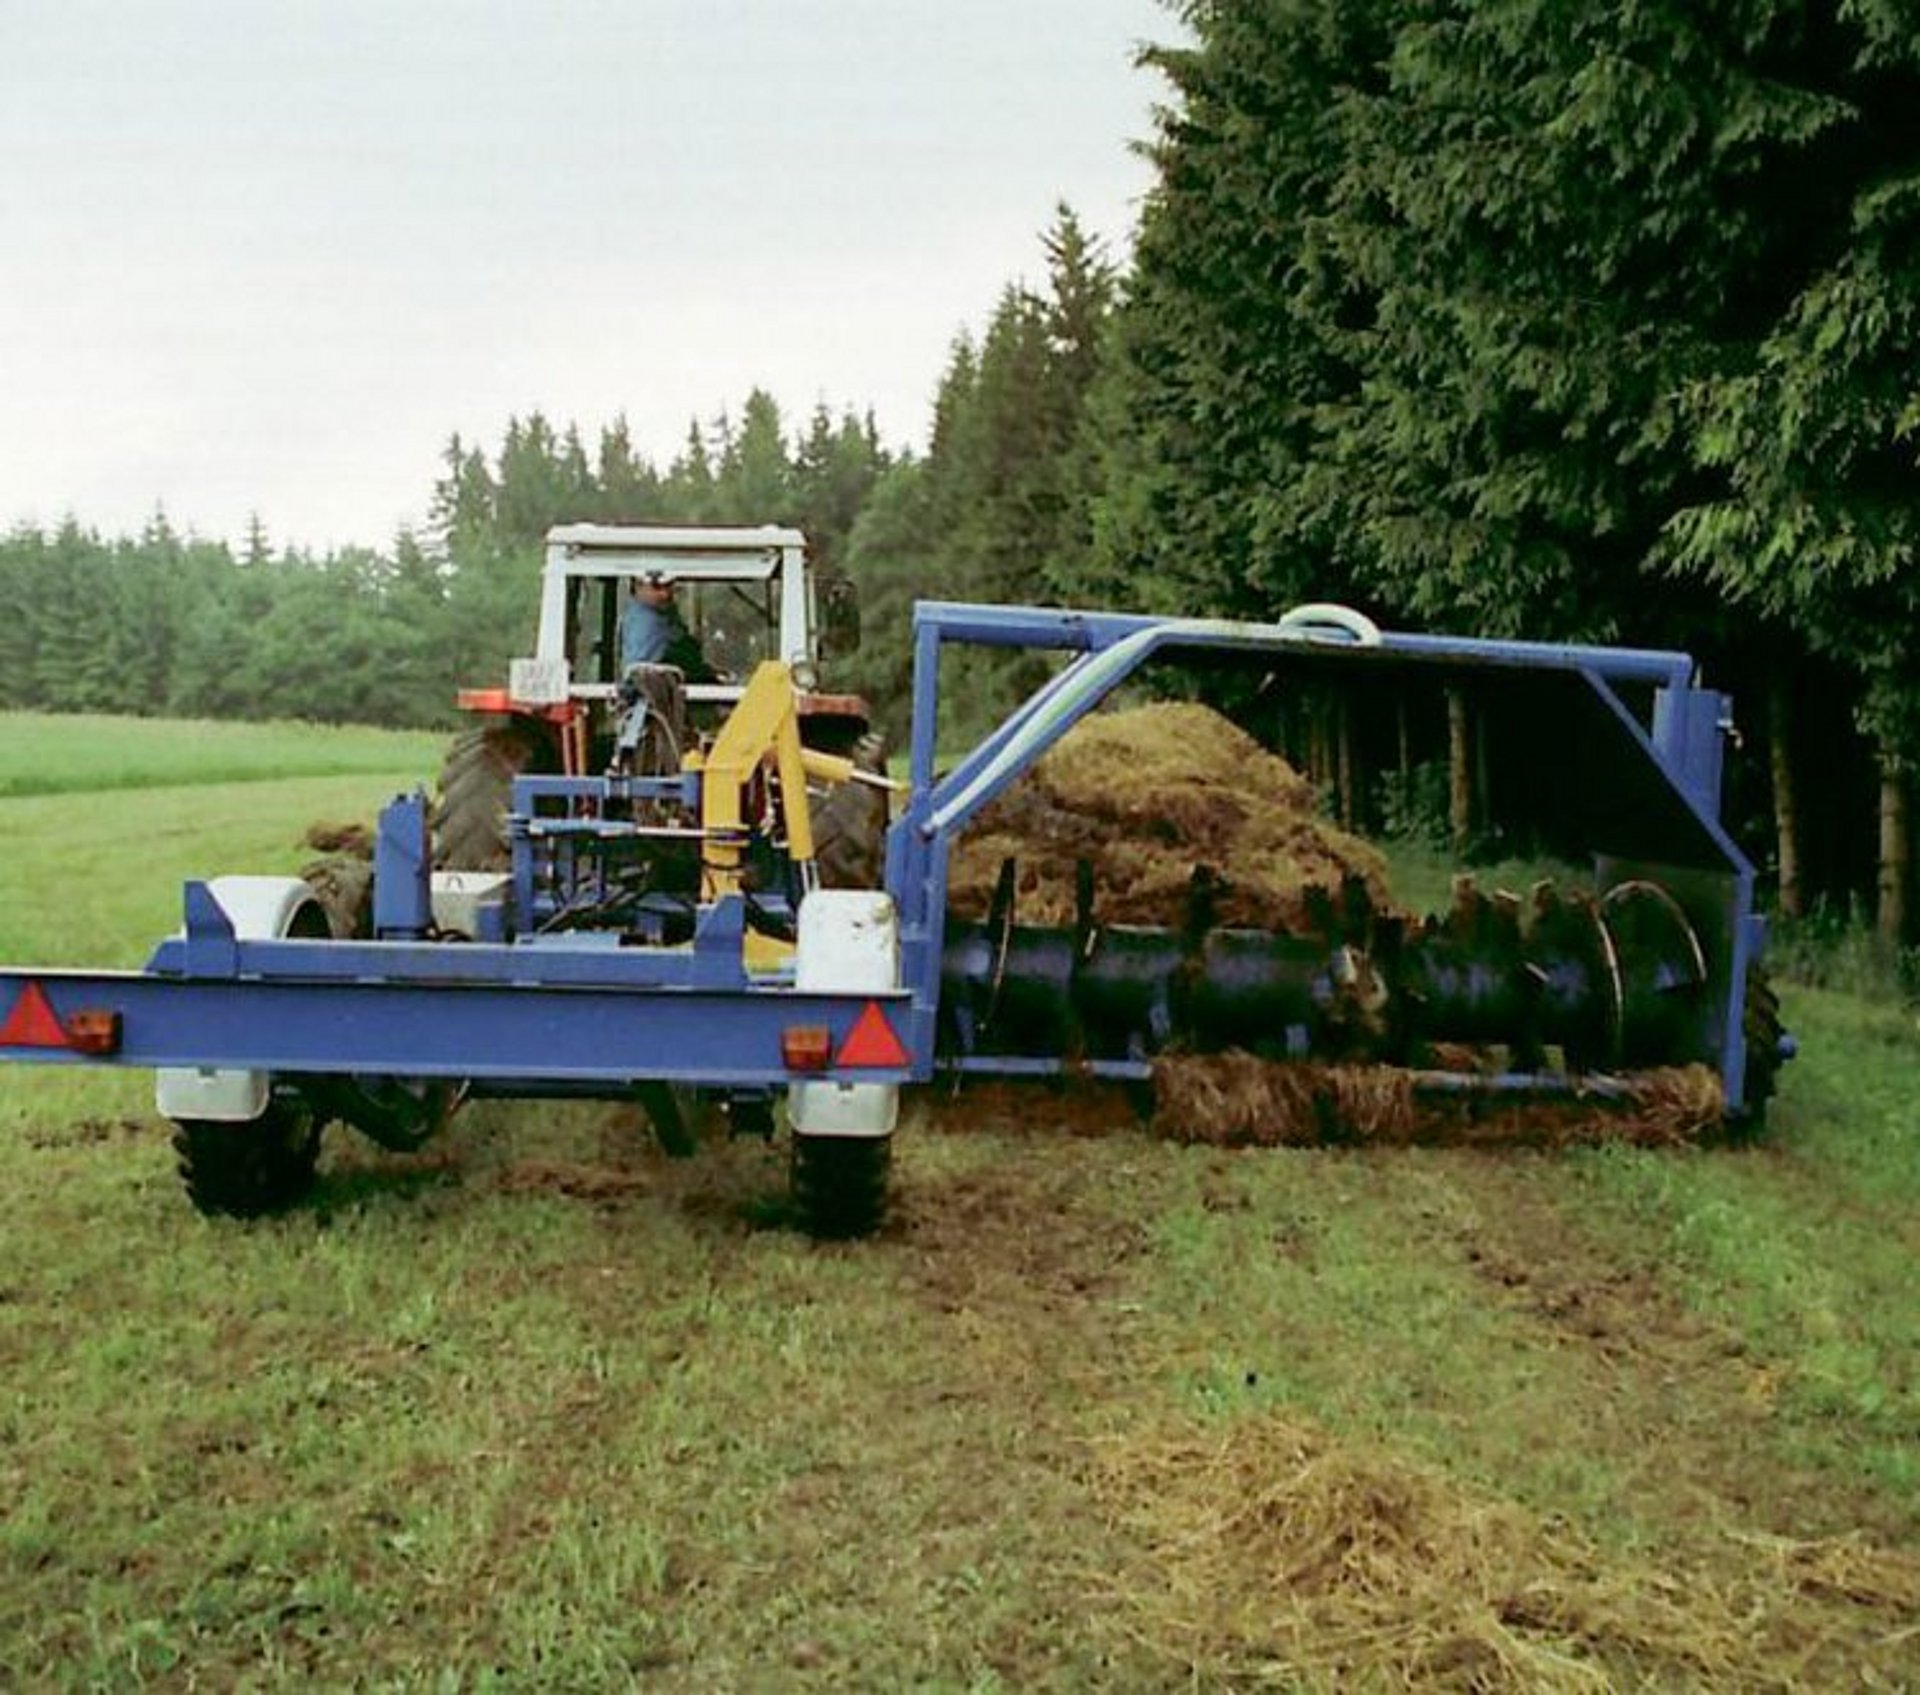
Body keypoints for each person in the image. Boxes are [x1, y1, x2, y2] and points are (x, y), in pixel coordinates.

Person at [619, 570, 715, 682]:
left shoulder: (666, 615)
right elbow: (643, 674)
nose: (665, 594)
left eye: (669, 586)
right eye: (656, 587)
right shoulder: (644, 622)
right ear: (637, 586)